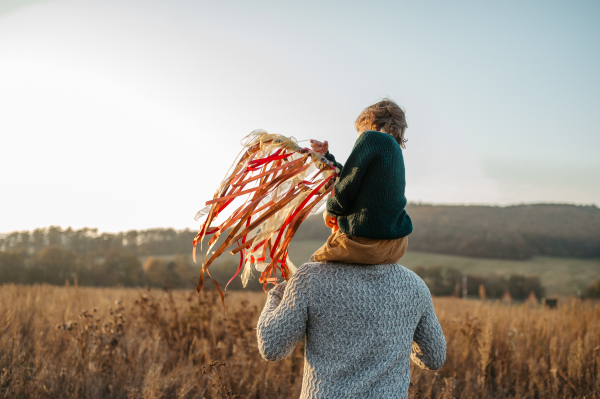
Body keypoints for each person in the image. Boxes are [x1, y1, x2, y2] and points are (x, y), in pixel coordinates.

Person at [256, 99, 446, 398]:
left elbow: (271, 347)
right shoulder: (414, 287)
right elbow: (433, 358)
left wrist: (277, 292)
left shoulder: (309, 279)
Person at [309, 98, 413, 265]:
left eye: (360, 132)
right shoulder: (393, 150)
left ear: (371, 121)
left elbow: (347, 189)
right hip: (396, 243)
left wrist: (331, 209)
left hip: (366, 243)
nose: (359, 137)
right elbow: (353, 176)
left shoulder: (370, 138)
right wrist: (327, 160)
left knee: (312, 269)